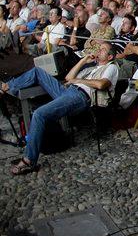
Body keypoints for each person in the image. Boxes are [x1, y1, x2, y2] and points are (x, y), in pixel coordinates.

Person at [2, 42, 118, 175]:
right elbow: (69, 78)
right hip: (69, 91)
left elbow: (102, 84)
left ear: (109, 57)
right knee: (37, 71)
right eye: (99, 48)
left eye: (103, 50)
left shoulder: (112, 67)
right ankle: (7, 86)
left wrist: (78, 81)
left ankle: (29, 160)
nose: (98, 51)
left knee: (39, 114)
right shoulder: (92, 68)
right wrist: (84, 60)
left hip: (80, 97)